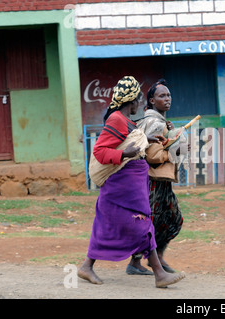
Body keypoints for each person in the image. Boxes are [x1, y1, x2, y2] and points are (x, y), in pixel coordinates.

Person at [78, 76, 185, 288]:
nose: (139, 103)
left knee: (106, 226)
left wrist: (147, 141)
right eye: (138, 98)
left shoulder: (126, 121)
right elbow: (100, 151)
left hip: (129, 188)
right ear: (133, 99)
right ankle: (159, 274)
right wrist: (125, 154)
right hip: (121, 188)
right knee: (143, 225)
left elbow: (130, 143)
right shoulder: (116, 119)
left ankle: (86, 266)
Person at [134, 79, 187, 274]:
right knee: (150, 220)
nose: (167, 99)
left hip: (162, 181)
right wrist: (178, 148)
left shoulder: (162, 122)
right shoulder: (153, 123)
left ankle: (158, 257)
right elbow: (153, 156)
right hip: (150, 180)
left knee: (174, 218)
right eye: (162, 96)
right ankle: (136, 261)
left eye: (169, 95)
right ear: (151, 100)